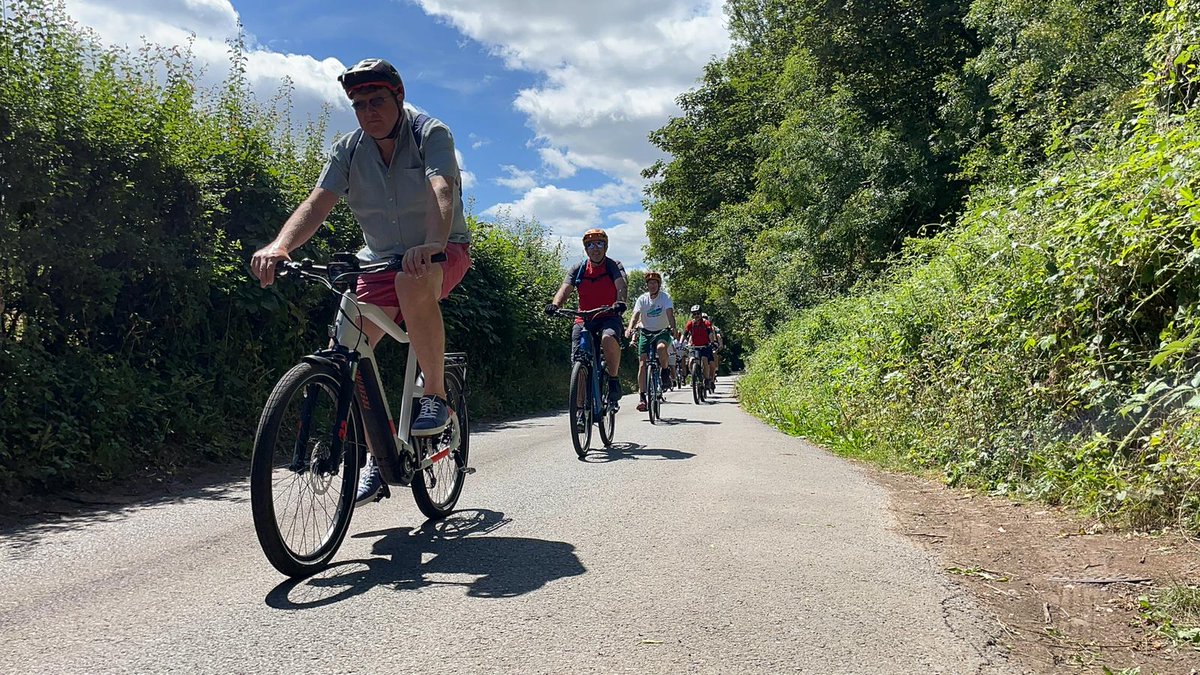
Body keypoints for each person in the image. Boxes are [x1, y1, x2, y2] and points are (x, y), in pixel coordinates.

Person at [250, 58, 471, 506]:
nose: (368, 111)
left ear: (399, 97)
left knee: (413, 286)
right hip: (378, 263)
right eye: (359, 105)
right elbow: (319, 201)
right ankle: (377, 460)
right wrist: (280, 246)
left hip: (440, 252)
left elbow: (441, 190)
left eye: (377, 101)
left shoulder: (431, 134)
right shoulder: (349, 150)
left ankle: (435, 396)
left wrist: (431, 245)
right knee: (346, 351)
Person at [546, 229, 628, 428]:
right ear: (585, 249)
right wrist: (555, 305)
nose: (595, 248)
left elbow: (621, 285)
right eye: (590, 245)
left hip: (608, 315)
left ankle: (614, 380)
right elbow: (564, 289)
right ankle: (581, 411)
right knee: (579, 361)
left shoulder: (613, 265)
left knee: (609, 339)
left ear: (605, 246)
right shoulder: (579, 268)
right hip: (584, 318)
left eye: (599, 244)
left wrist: (620, 302)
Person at [625, 271, 676, 412]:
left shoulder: (665, 297)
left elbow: (670, 314)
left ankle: (665, 372)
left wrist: (673, 327)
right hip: (646, 332)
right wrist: (629, 328)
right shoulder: (642, 299)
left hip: (662, 331)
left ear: (659, 285)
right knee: (642, 363)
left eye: (655, 283)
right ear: (646, 285)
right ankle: (642, 397)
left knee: (661, 348)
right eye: (650, 283)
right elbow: (635, 315)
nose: (652, 285)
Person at [683, 305, 716, 388]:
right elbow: (685, 334)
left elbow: (710, 333)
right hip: (694, 347)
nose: (696, 315)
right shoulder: (690, 323)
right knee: (690, 361)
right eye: (694, 314)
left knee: (705, 360)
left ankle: (707, 379)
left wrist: (712, 342)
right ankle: (694, 376)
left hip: (705, 346)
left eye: (697, 313)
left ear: (701, 314)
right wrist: (680, 343)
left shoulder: (706, 323)